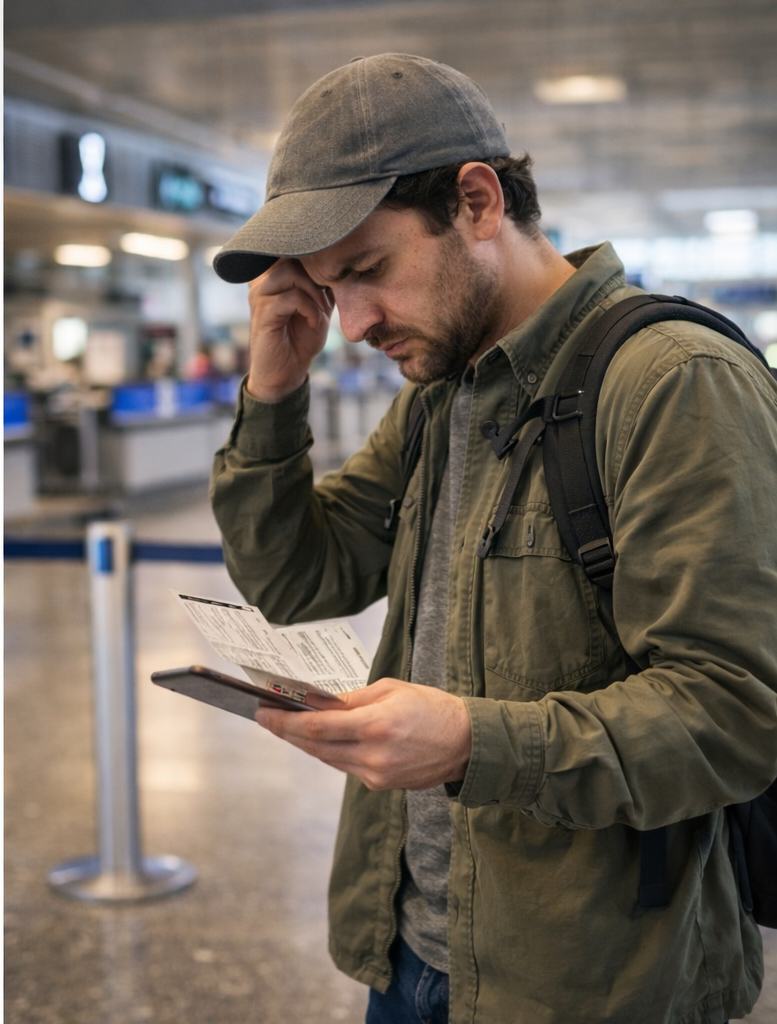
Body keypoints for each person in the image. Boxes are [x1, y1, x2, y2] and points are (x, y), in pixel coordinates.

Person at [208, 54, 777, 1023]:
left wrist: (475, 740)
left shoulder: (674, 384)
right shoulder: (443, 393)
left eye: (368, 272)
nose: (350, 324)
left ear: (477, 202)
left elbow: (735, 711)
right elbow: (297, 575)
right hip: (415, 951)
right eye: (326, 288)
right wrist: (272, 389)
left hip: (590, 985)